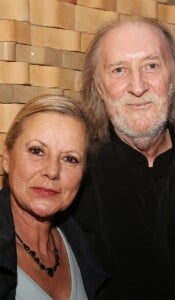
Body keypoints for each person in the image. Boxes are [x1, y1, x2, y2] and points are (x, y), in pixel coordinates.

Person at [71, 17, 175, 300]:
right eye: (119, 70)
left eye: (152, 66)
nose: (137, 86)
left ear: (173, 78)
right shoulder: (75, 173)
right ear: (98, 87)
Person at [0, 94, 107, 299]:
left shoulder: (84, 246)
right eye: (37, 151)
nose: (52, 170)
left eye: (70, 158)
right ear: (7, 157)